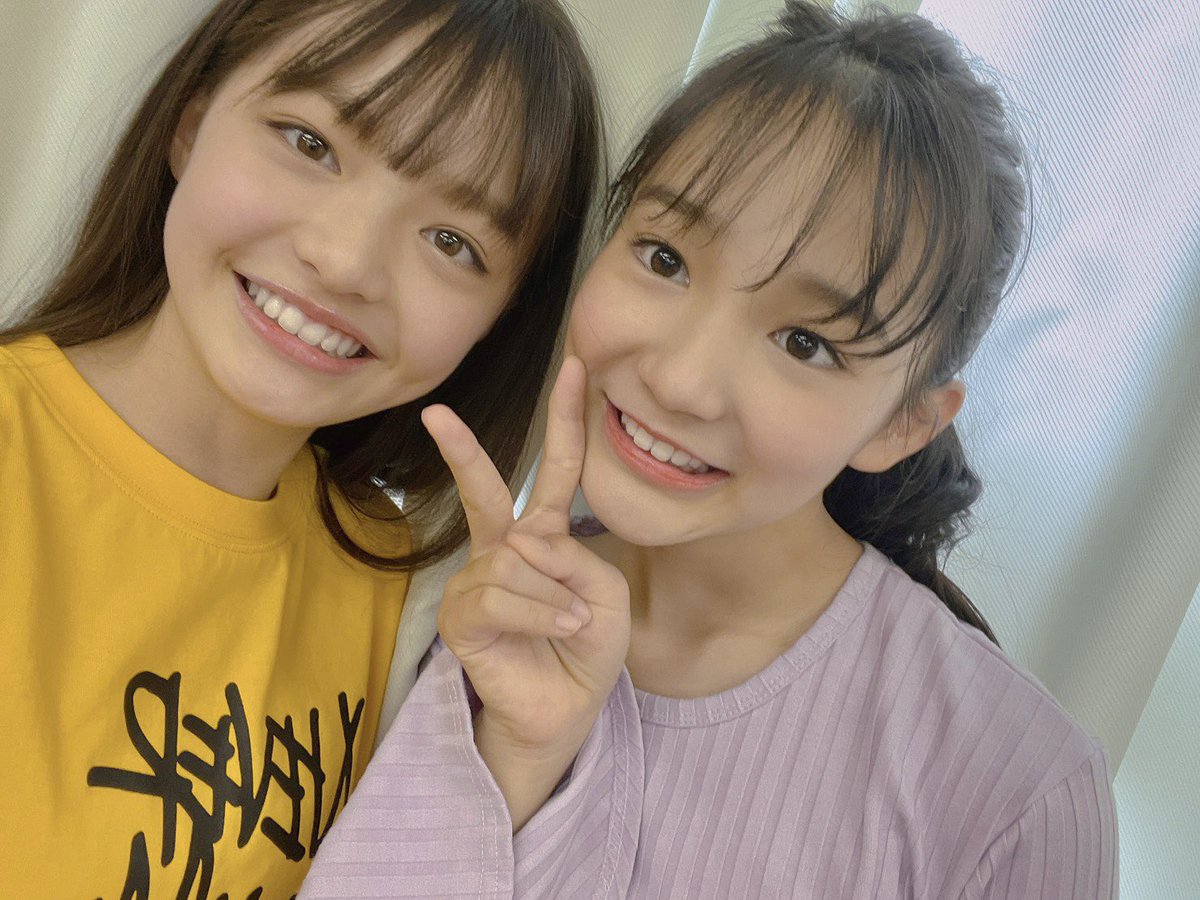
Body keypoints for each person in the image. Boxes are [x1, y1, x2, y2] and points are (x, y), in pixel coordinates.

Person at [301, 2, 1118, 898]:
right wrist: (509, 758)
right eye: (664, 259)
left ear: (904, 423)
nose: (683, 381)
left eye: (805, 343)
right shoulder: (462, 610)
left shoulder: (1017, 792)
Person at [0, 0, 601, 896]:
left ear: (499, 319)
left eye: (452, 241)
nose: (346, 261)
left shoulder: (408, 592)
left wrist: (515, 757)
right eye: (310, 143)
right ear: (191, 124)